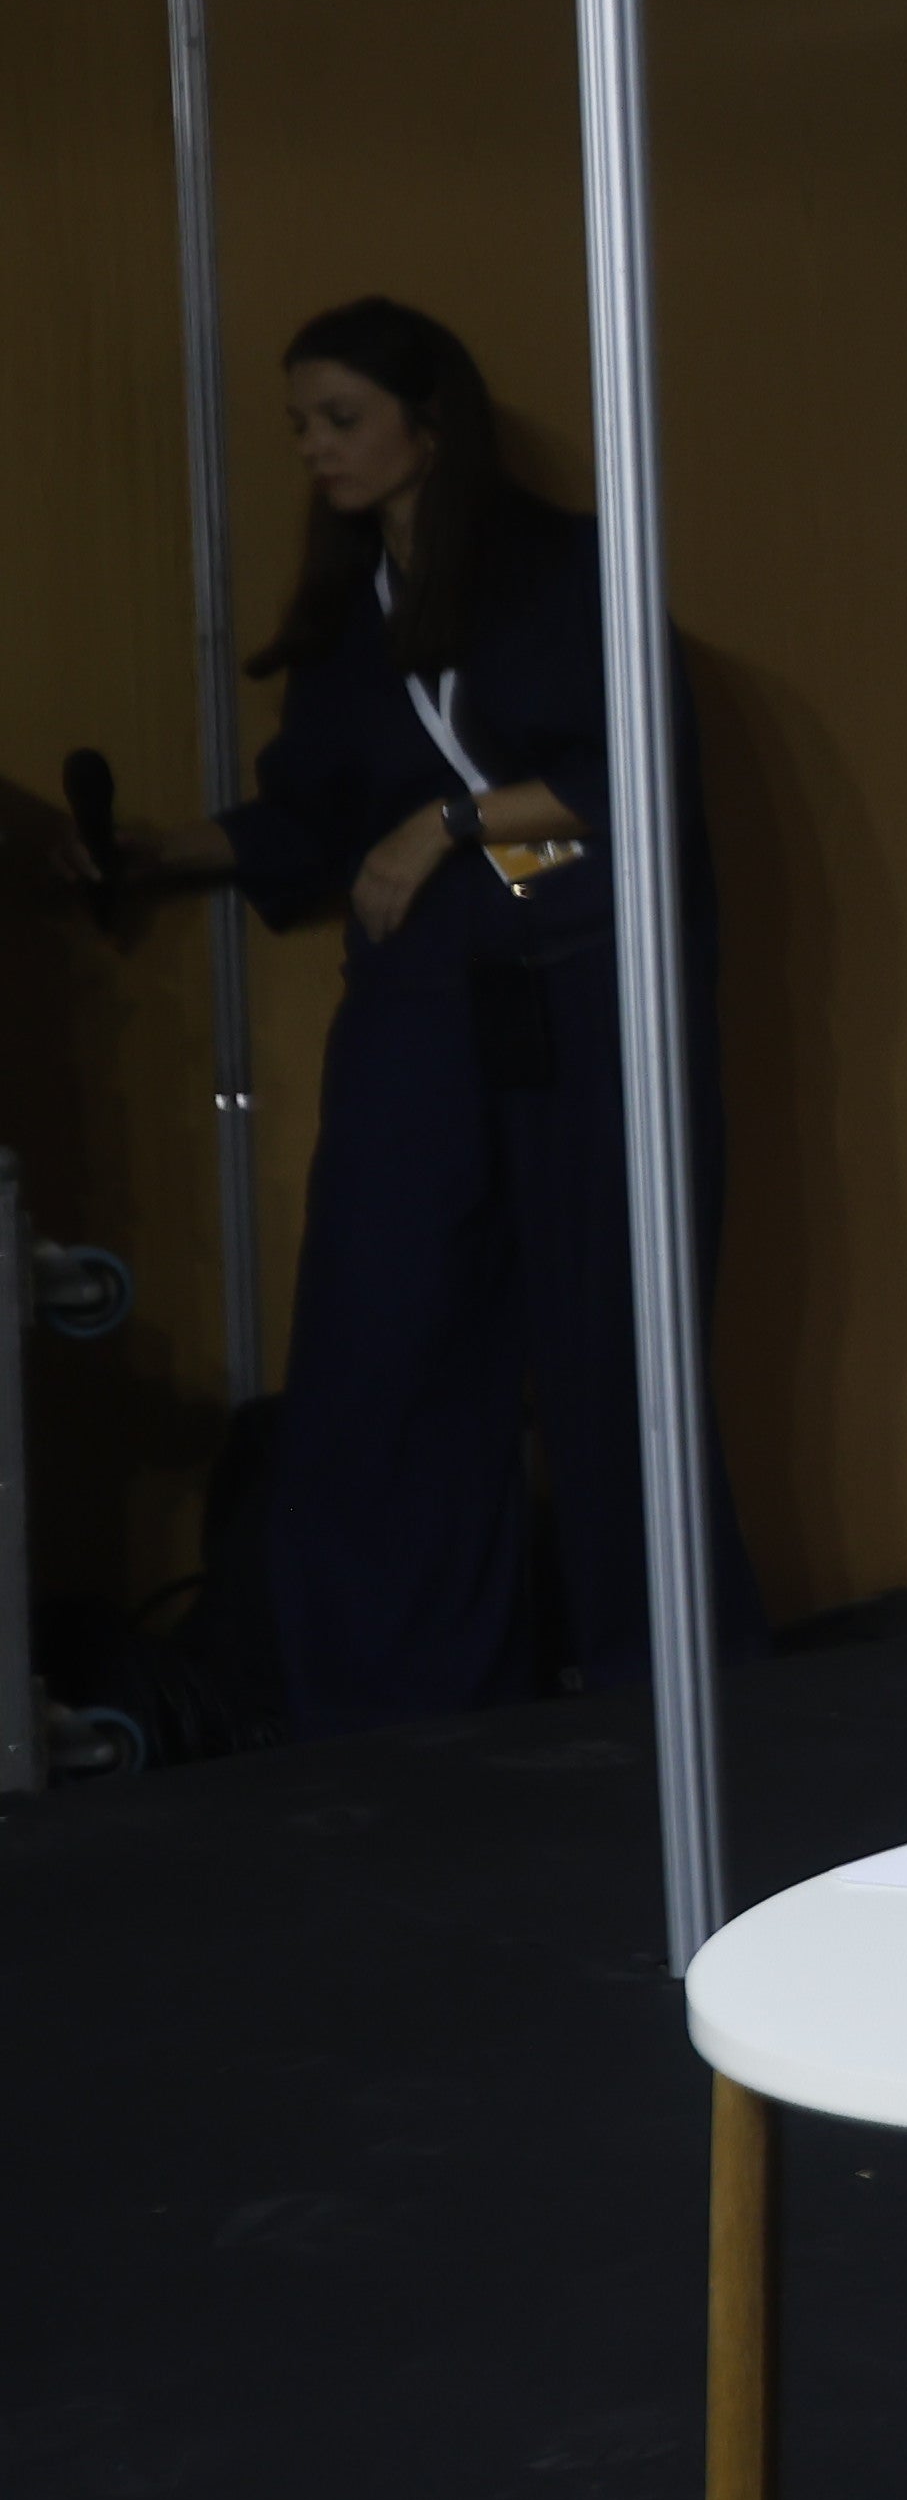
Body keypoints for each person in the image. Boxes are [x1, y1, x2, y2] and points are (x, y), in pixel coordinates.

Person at [95, 297, 761, 1729]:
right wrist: (155, 857)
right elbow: (311, 816)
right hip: (434, 1018)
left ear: (428, 421)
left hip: (584, 1001)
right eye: (299, 427)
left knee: (609, 1355)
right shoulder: (356, 620)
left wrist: (447, 826)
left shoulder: (560, 571)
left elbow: (631, 768)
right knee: (382, 1345)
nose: (316, 451)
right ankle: (403, 1698)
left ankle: (670, 1691)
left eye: (341, 419)